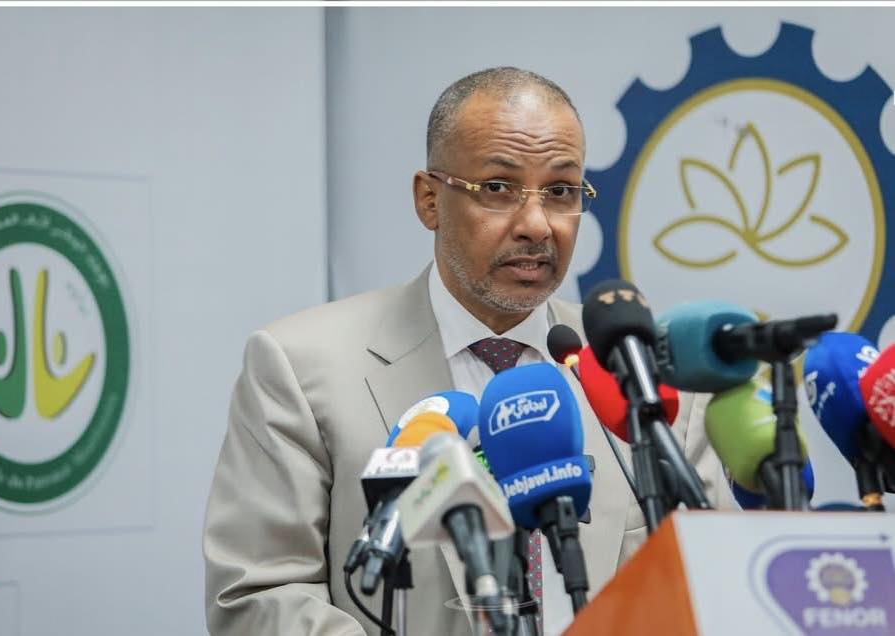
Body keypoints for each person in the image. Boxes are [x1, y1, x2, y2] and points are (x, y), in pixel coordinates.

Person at [203, 67, 736, 636]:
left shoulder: (643, 375)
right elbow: (259, 596)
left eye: (561, 191)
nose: (537, 225)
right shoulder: (302, 367)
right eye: (499, 188)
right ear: (429, 199)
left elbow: (718, 585)